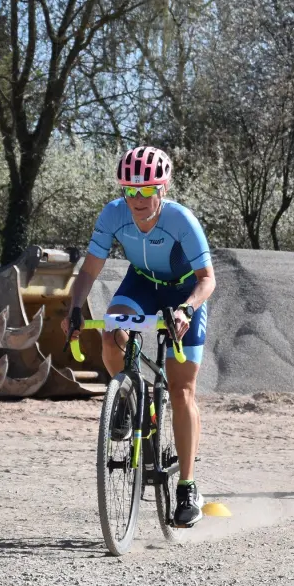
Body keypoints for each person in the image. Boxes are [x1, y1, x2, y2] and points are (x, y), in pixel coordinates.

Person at [67, 146, 216, 527]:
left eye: (146, 191)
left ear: (162, 189)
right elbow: (89, 271)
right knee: (112, 333)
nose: (137, 200)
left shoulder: (182, 221)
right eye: (130, 191)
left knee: (182, 389)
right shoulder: (113, 214)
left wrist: (186, 310)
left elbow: (207, 280)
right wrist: (74, 308)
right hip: (143, 285)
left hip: (183, 291)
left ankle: (187, 486)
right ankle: (127, 401)